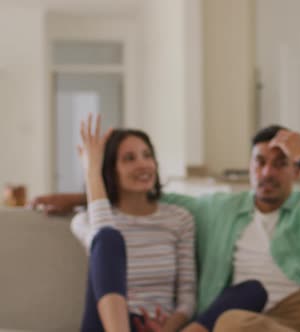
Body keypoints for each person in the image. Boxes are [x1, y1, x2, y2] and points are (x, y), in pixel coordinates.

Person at [33, 124, 300, 332]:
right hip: (257, 323)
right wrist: (74, 195)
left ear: (294, 171)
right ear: (248, 167)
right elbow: (143, 196)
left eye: (280, 164)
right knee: (229, 321)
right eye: (260, 162)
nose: (267, 172)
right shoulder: (216, 207)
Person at [71, 114, 267, 332]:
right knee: (108, 237)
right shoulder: (85, 220)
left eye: (147, 155)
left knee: (253, 290)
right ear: (109, 169)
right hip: (111, 325)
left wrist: (168, 328)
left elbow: (187, 295)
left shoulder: (178, 219)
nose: (143, 164)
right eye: (129, 159)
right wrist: (92, 172)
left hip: (163, 327)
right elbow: (103, 239)